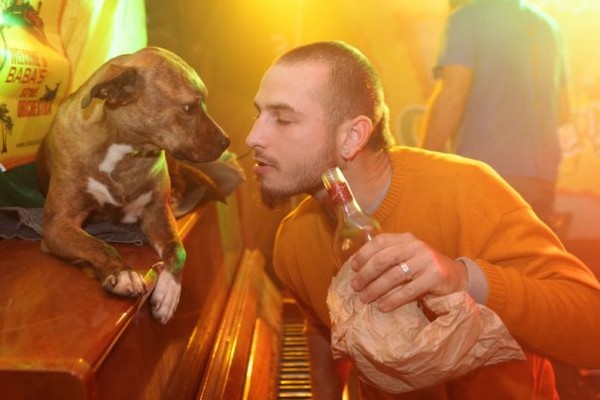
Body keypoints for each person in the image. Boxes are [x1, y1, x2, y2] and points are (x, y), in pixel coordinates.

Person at [245, 40, 600, 399]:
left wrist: (464, 278)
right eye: (258, 114)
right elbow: (323, 331)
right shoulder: (293, 241)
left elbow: (592, 334)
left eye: (283, 119)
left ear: (352, 136)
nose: (253, 137)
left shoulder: (467, 191)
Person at [420, 0, 571, 226]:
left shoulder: (466, 18)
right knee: (531, 249)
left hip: (486, 176)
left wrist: (422, 164)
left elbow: (452, 98)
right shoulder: (549, 26)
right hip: (543, 178)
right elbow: (564, 110)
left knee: (478, 250)